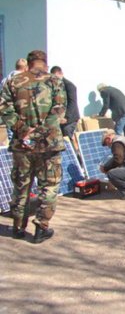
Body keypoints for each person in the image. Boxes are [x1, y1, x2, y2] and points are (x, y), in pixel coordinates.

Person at [0, 50, 66, 243]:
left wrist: (22, 129)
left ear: (28, 64)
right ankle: (41, 228)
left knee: (21, 185)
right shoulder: (55, 81)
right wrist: (41, 132)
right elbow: (58, 110)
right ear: (45, 63)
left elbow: (4, 107)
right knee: (49, 186)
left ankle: (18, 228)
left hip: (23, 145)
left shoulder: (13, 81)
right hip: (49, 144)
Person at [1, 58, 28, 141]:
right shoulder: (24, 80)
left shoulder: (5, 80)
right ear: (26, 68)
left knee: (12, 142)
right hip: (22, 117)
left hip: (8, 116)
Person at [50, 66, 80, 139]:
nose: (54, 79)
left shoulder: (69, 85)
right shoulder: (55, 86)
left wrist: (67, 117)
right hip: (60, 118)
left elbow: (72, 102)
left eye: (56, 76)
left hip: (70, 119)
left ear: (61, 74)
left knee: (67, 136)